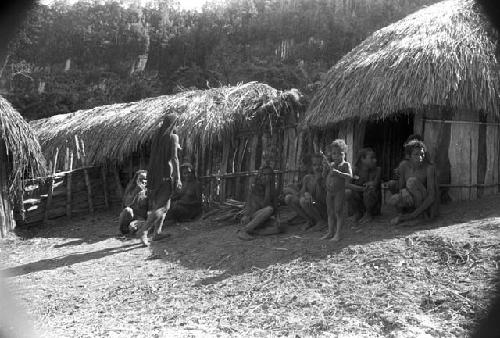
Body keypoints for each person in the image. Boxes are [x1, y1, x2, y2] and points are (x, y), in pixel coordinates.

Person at [137, 115, 182, 247]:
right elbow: (174, 158)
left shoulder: (157, 137)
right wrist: (178, 177)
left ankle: (157, 233)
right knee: (163, 207)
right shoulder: (173, 137)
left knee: (159, 205)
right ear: (173, 123)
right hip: (165, 176)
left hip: (154, 175)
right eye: (176, 123)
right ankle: (143, 231)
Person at [388, 140, 438, 225]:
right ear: (409, 156)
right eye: (416, 154)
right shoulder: (403, 165)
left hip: (425, 202)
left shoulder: (429, 168)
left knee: (412, 182)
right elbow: (401, 186)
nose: (420, 157)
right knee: (393, 199)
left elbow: (431, 196)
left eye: (422, 154)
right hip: (412, 198)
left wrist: (412, 215)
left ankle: (419, 216)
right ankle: (404, 214)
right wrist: (403, 191)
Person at [238, 165, 281, 241]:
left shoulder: (273, 188)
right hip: (251, 217)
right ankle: (244, 230)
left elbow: (276, 206)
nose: (267, 177)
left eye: (269, 175)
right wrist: (268, 186)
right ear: (260, 175)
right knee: (269, 209)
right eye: (264, 174)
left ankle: (255, 231)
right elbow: (265, 205)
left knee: (278, 229)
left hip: (263, 218)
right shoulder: (255, 187)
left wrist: (278, 219)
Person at [284, 153, 327, 230]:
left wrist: (318, 181)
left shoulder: (327, 177)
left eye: (320, 164)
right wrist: (292, 191)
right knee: (289, 198)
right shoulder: (307, 178)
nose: (317, 167)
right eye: (315, 165)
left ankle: (321, 221)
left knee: (304, 201)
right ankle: (309, 220)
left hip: (324, 208)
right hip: (312, 205)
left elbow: (323, 198)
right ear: (312, 166)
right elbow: (300, 194)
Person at [322, 139, 352, 241]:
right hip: (329, 192)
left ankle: (338, 234)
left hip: (339, 191)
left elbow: (350, 176)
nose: (334, 156)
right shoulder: (332, 165)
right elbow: (324, 176)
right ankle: (330, 232)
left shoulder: (345, 165)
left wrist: (338, 173)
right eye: (333, 154)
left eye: (337, 154)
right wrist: (325, 169)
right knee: (330, 212)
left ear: (343, 154)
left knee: (338, 211)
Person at [346, 148, 381, 224]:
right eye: (372, 158)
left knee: (370, 189)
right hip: (360, 201)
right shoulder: (355, 170)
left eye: (375, 158)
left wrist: (369, 185)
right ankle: (357, 213)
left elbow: (375, 184)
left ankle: (369, 214)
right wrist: (361, 189)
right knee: (348, 192)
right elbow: (347, 184)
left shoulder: (377, 170)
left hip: (374, 206)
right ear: (362, 159)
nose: (375, 160)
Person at [119, 170, 148, 235]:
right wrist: (136, 190)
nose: (143, 181)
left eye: (145, 179)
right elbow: (127, 203)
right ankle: (125, 231)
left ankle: (135, 229)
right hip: (131, 216)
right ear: (136, 180)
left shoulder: (149, 190)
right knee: (127, 210)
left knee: (133, 227)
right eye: (141, 179)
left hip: (141, 218)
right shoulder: (131, 189)